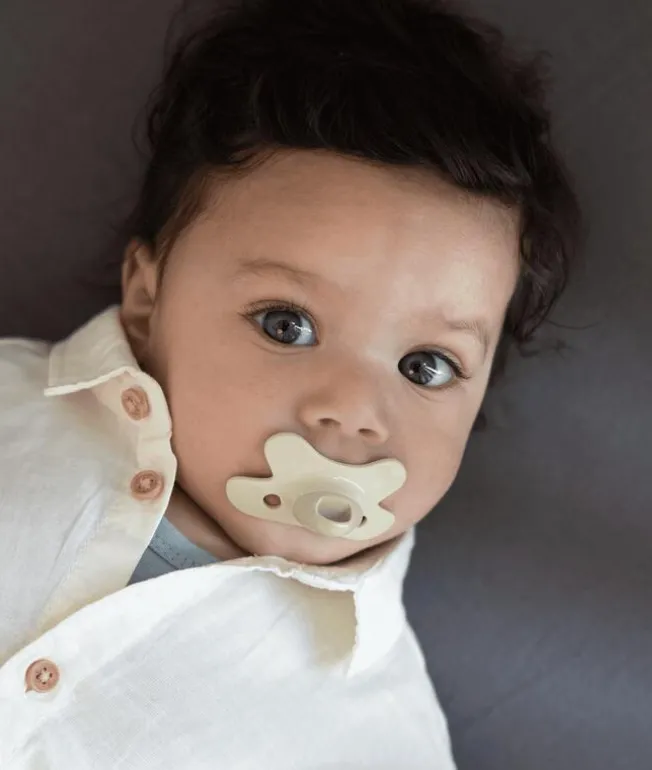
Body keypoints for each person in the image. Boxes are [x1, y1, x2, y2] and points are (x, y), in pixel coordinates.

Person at [0, 0, 580, 767]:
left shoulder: (380, 740)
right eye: (286, 324)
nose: (352, 411)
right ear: (147, 297)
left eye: (426, 367)